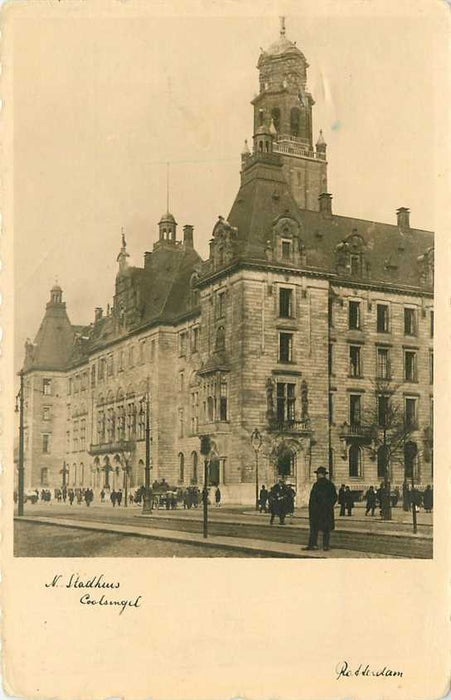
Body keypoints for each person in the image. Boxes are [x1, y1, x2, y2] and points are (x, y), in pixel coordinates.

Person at [304, 467, 337, 551]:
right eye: (317, 474)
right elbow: (334, 497)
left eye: (318, 474)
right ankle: (321, 545)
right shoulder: (326, 484)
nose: (317, 476)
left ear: (322, 474)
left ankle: (314, 545)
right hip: (322, 510)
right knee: (323, 529)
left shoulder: (325, 484)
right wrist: (328, 506)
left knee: (316, 529)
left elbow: (333, 497)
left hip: (320, 510)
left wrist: (326, 506)